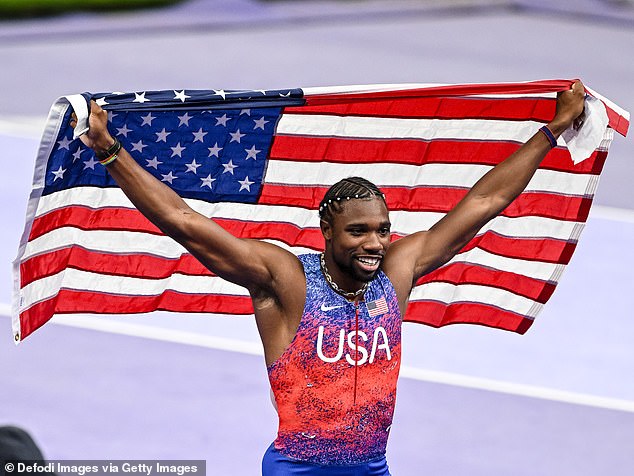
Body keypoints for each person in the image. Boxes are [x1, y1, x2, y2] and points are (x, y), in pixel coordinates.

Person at [72, 81, 585, 475]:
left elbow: (485, 201)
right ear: (326, 231)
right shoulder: (285, 279)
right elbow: (185, 222)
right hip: (298, 467)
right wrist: (109, 152)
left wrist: (552, 131)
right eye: (358, 232)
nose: (374, 243)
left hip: (372, 467)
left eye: (382, 230)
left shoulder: (397, 272)